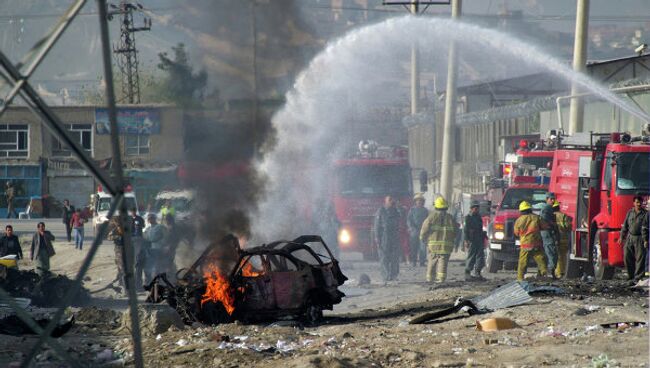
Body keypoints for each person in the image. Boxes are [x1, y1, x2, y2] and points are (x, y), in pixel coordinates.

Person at [420, 197, 458, 284]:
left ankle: (430, 278)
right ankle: (441, 279)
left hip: (433, 245)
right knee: (443, 261)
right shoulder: (450, 218)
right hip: (446, 245)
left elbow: (424, 228)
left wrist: (422, 238)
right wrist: (453, 240)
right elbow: (456, 231)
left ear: (436, 206)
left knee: (432, 260)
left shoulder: (431, 217)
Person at [513, 201, 548, 281]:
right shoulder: (537, 218)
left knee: (522, 262)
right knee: (541, 259)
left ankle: (520, 278)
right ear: (530, 209)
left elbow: (516, 232)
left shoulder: (519, 220)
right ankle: (544, 274)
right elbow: (545, 226)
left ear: (521, 210)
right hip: (536, 244)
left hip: (525, 245)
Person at [619, 196, 649, 283]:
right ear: (634, 203)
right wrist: (622, 237)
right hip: (630, 237)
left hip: (640, 238)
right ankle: (630, 276)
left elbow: (646, 227)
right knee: (627, 256)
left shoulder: (645, 214)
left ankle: (638, 277)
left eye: (640, 202)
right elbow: (625, 225)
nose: (638, 204)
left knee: (640, 258)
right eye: (637, 202)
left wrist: (645, 240)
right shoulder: (630, 212)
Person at [374, 195, 401, 283]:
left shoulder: (396, 210)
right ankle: (385, 276)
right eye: (389, 200)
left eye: (392, 200)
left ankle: (394, 275)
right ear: (385, 201)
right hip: (384, 237)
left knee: (395, 257)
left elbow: (401, 219)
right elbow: (377, 226)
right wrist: (377, 238)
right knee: (384, 257)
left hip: (394, 236)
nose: (392, 201)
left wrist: (398, 207)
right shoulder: (381, 211)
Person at [464, 200, 487, 281]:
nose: (477, 209)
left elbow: (480, 228)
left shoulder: (478, 217)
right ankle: (467, 273)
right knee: (471, 256)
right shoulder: (468, 218)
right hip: (472, 240)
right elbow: (465, 230)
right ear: (471, 208)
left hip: (479, 239)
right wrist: (466, 240)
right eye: (475, 208)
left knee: (480, 256)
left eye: (477, 208)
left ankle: (478, 272)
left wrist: (484, 235)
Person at [143, 213, 168, 283]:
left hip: (159, 249)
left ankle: (159, 281)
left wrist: (165, 246)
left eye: (151, 218)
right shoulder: (148, 229)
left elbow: (166, 237)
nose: (150, 220)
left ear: (154, 218)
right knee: (149, 266)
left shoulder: (160, 227)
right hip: (150, 250)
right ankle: (150, 281)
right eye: (149, 218)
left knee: (158, 266)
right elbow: (145, 238)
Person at [540, 192, 559, 278]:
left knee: (550, 251)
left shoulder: (549, 208)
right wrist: (553, 224)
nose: (552, 200)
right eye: (551, 199)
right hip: (547, 232)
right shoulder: (547, 208)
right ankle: (550, 271)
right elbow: (544, 219)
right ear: (546, 199)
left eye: (553, 199)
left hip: (547, 232)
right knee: (551, 252)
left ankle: (547, 271)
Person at [407, 194, 429, 267]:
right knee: (414, 247)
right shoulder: (412, 210)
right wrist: (411, 227)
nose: (419, 202)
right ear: (415, 201)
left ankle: (422, 262)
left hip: (423, 231)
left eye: (420, 200)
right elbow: (409, 220)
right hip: (414, 232)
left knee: (423, 247)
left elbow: (428, 220)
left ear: (423, 202)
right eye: (417, 200)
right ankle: (414, 261)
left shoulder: (425, 210)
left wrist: (426, 229)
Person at [553, 201, 572, 278]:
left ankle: (556, 272)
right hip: (563, 238)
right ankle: (561, 272)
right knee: (562, 256)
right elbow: (568, 226)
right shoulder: (564, 216)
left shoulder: (550, 216)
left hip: (553, 239)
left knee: (555, 256)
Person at [130, 208, 146, 289]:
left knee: (138, 258)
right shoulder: (129, 219)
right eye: (132, 211)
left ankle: (137, 282)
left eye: (134, 211)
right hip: (131, 239)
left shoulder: (139, 219)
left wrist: (138, 226)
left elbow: (143, 226)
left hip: (138, 238)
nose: (133, 212)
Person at [107, 217, 126, 288]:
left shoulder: (124, 228)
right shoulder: (114, 230)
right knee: (120, 266)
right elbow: (109, 237)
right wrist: (116, 237)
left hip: (124, 249)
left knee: (122, 266)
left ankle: (124, 284)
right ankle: (121, 282)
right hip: (118, 249)